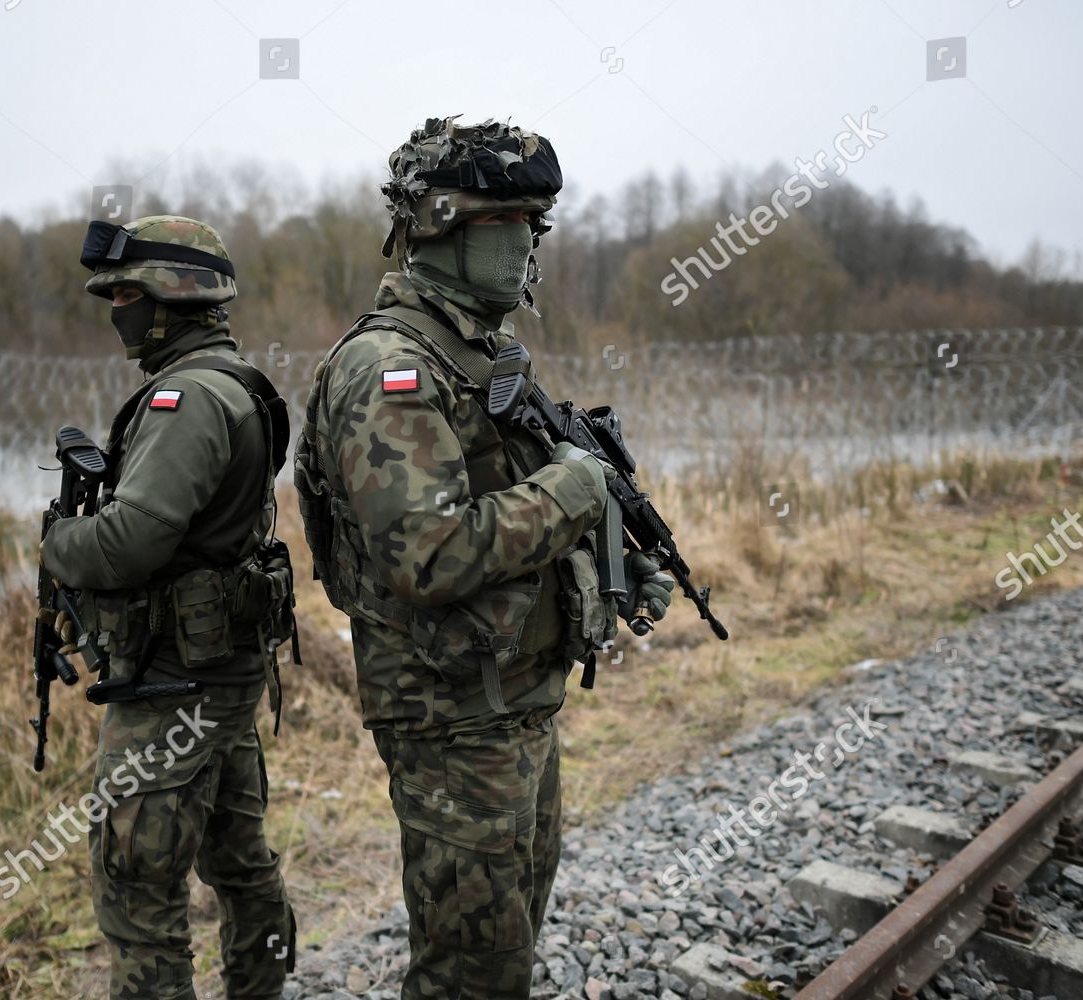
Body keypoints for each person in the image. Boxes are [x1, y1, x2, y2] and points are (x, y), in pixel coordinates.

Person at [292, 119, 675, 997]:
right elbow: (430, 552)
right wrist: (578, 487)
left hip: (512, 701)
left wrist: (613, 559)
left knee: (507, 947)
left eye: (540, 227)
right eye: (517, 225)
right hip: (451, 716)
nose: (533, 250)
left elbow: (524, 496)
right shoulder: (390, 369)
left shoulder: (482, 352)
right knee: (471, 971)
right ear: (443, 222)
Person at [41, 214, 297, 1000]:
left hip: (173, 683)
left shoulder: (185, 398)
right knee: (239, 858)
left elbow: (132, 541)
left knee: (138, 886)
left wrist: (58, 542)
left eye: (126, 293)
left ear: (171, 297)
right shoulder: (239, 384)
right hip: (220, 674)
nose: (117, 308)